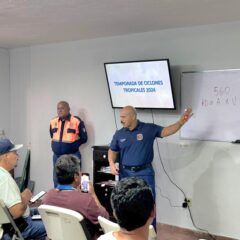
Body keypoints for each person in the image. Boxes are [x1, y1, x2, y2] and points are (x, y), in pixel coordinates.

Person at [108, 105, 192, 198]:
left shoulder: (148, 129)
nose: (121, 120)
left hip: (144, 173)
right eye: (120, 117)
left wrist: (180, 122)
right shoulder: (119, 134)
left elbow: (166, 131)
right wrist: (111, 164)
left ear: (133, 117)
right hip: (125, 174)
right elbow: (112, 151)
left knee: (148, 202)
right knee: (126, 204)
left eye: (124, 117)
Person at [42, 154, 109, 238]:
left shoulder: (48, 196)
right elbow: (104, 218)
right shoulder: (86, 200)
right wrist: (93, 195)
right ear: (76, 176)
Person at [0, 138, 46, 240]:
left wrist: (23, 199)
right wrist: (25, 197)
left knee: (42, 210)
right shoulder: (4, 179)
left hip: (12, 223)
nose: (18, 157)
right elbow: (17, 212)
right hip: (20, 227)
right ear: (6, 156)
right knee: (54, 227)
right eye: (15, 153)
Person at [50, 100, 88, 187]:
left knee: (75, 180)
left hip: (72, 156)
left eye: (62, 108)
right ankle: (58, 199)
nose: (59, 110)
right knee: (56, 180)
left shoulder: (76, 121)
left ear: (68, 109)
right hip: (57, 157)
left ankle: (75, 199)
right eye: (58, 108)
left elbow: (84, 138)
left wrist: (73, 145)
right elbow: (52, 135)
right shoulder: (53, 121)